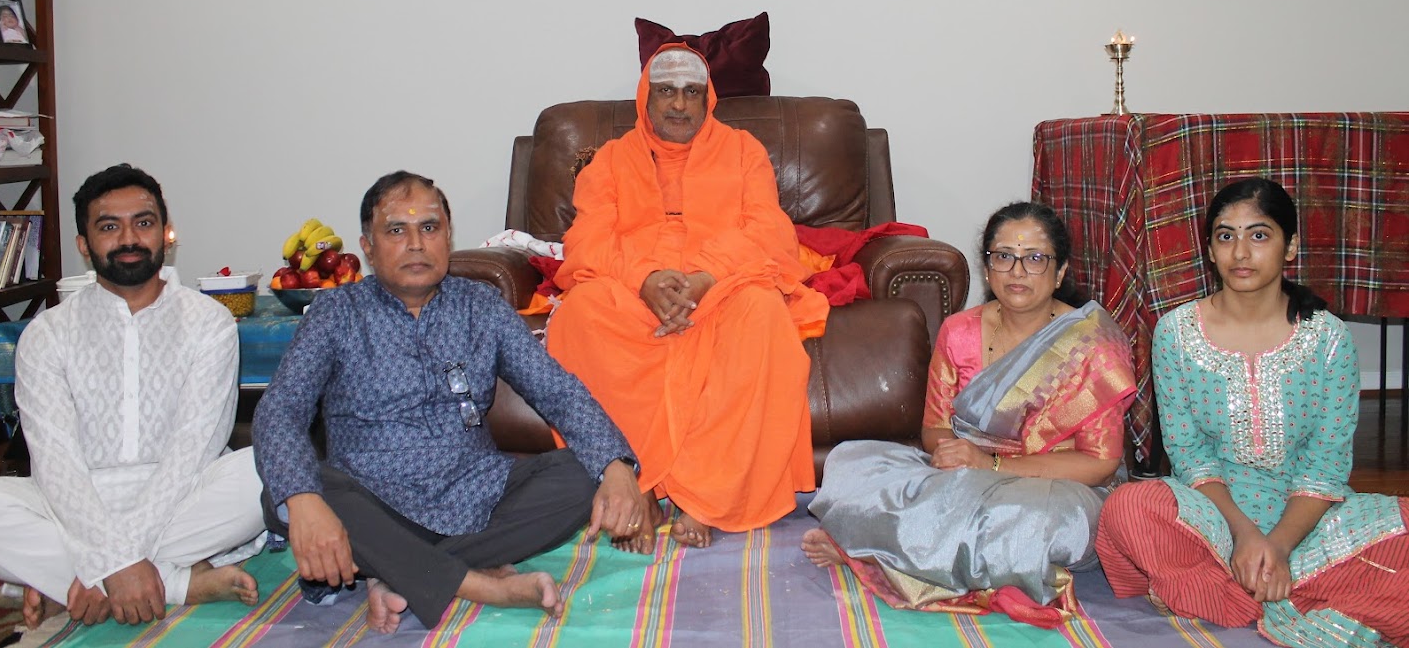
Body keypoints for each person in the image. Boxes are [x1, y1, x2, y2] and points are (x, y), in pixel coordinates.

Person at [252, 171, 645, 635]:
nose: (416, 243)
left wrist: (617, 466)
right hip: (373, 500)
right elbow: (279, 411)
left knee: (583, 474)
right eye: (396, 230)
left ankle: (394, 570)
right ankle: (482, 584)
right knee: (291, 490)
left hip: (476, 496)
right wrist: (304, 501)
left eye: (430, 228)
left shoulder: (482, 306)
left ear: (448, 237)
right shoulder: (336, 315)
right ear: (369, 247)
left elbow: (556, 390)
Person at [1095, 178, 1409, 646]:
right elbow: (1190, 458)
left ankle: (1226, 591)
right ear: (1210, 249)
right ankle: (1291, 593)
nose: (1241, 252)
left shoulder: (1328, 338)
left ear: (1290, 246)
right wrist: (1244, 535)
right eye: (1226, 236)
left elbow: (1325, 468)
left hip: (1310, 524)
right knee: (1129, 508)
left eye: (1259, 235)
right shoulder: (1176, 333)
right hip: (1213, 517)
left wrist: (1278, 546)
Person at [546, 44, 830, 552]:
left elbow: (767, 228)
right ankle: (641, 485)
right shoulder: (610, 161)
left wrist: (704, 279)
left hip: (724, 285)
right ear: (645, 99)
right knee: (580, 317)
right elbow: (587, 240)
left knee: (762, 314)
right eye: (667, 92)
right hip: (633, 289)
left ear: (708, 99)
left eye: (692, 92)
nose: (679, 105)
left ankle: (703, 496)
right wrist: (645, 280)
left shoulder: (744, 151)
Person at [803, 202, 1136, 625]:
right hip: (963, 475)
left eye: (1035, 259)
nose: (1017, 271)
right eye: (1003, 257)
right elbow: (935, 429)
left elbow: (1101, 462)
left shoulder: (1092, 345)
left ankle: (877, 556)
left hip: (1056, 486)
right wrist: (952, 456)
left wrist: (991, 465)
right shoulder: (958, 330)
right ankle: (965, 567)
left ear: (1061, 271)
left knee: (1030, 522)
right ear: (988, 265)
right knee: (854, 463)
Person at [0, 164, 265, 629]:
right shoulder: (48, 334)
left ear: (166, 233)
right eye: (109, 227)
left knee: (268, 467)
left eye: (143, 222)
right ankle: (175, 584)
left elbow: (193, 451)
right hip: (74, 502)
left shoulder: (209, 323)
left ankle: (79, 589)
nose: (129, 238)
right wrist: (117, 562)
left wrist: (111, 562)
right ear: (84, 244)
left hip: (184, 497)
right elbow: (55, 463)